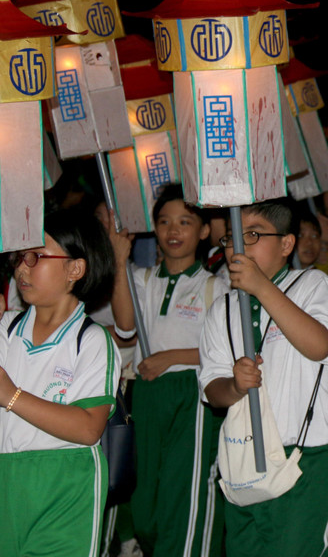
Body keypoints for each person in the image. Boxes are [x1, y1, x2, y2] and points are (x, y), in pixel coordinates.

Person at [0, 209, 120, 556]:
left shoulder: (90, 340)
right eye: (19, 258)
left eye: (35, 257)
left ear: (75, 269)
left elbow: (89, 427)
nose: (21, 268)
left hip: (65, 483)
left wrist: (12, 396)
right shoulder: (6, 327)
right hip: (6, 477)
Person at [199, 199, 328, 557]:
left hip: (304, 456)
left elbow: (323, 346)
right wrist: (234, 386)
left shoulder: (312, 284)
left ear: (286, 244)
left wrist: (262, 288)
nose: (239, 247)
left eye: (253, 235)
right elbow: (211, 389)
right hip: (244, 458)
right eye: (233, 237)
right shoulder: (222, 307)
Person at [110, 184, 229, 557]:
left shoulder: (215, 285)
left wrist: (172, 356)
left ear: (204, 230)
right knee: (145, 503)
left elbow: (229, 349)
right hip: (145, 392)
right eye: (164, 222)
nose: (173, 231)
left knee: (185, 493)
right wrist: (118, 261)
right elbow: (126, 328)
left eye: (184, 222)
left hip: (191, 394)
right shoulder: (141, 279)